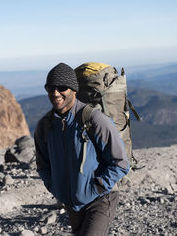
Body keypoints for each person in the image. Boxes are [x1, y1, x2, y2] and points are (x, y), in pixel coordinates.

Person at [34, 63, 130, 236]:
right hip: (72, 205)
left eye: (62, 87)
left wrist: (97, 188)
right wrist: (56, 188)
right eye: (50, 88)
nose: (55, 93)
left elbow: (121, 162)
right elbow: (43, 165)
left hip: (100, 200)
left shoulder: (93, 119)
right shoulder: (45, 126)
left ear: (73, 89)